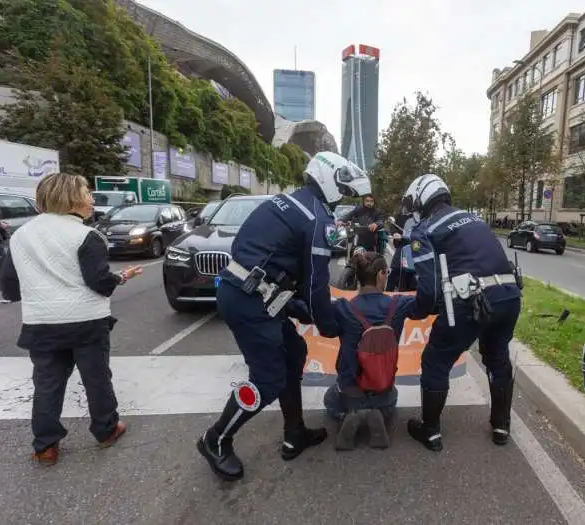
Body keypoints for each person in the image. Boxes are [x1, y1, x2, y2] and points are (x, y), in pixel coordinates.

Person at [196, 151, 371, 482]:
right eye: (344, 191)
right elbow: (315, 285)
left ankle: (295, 433)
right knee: (269, 379)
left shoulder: (285, 202)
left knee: (294, 353)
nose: (344, 199)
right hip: (251, 300)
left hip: (247, 292)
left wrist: (294, 305)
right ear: (330, 182)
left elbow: (269, 259)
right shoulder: (317, 217)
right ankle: (216, 439)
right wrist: (330, 325)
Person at [0, 172, 143, 465]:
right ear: (71, 198)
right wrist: (120, 278)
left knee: (47, 384)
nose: (91, 199)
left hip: (41, 323)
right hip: (86, 322)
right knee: (96, 379)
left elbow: (10, 287)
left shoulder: (21, 235)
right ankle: (106, 430)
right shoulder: (86, 236)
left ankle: (45, 446)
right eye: (87, 193)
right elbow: (99, 282)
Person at [400, 174, 523, 451]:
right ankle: (501, 425)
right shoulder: (475, 219)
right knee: (497, 357)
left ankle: (430, 431)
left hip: (471, 300)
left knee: (435, 361)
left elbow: (430, 289)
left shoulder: (426, 229)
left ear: (421, 198)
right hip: (509, 296)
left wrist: (416, 312)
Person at [322, 251, 426, 450]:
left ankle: (350, 415)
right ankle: (377, 414)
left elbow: (314, 310)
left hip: (350, 388)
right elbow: (427, 299)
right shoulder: (399, 304)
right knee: (391, 399)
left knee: (330, 400)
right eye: (386, 272)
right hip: (382, 386)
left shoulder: (343, 308)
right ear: (380, 275)